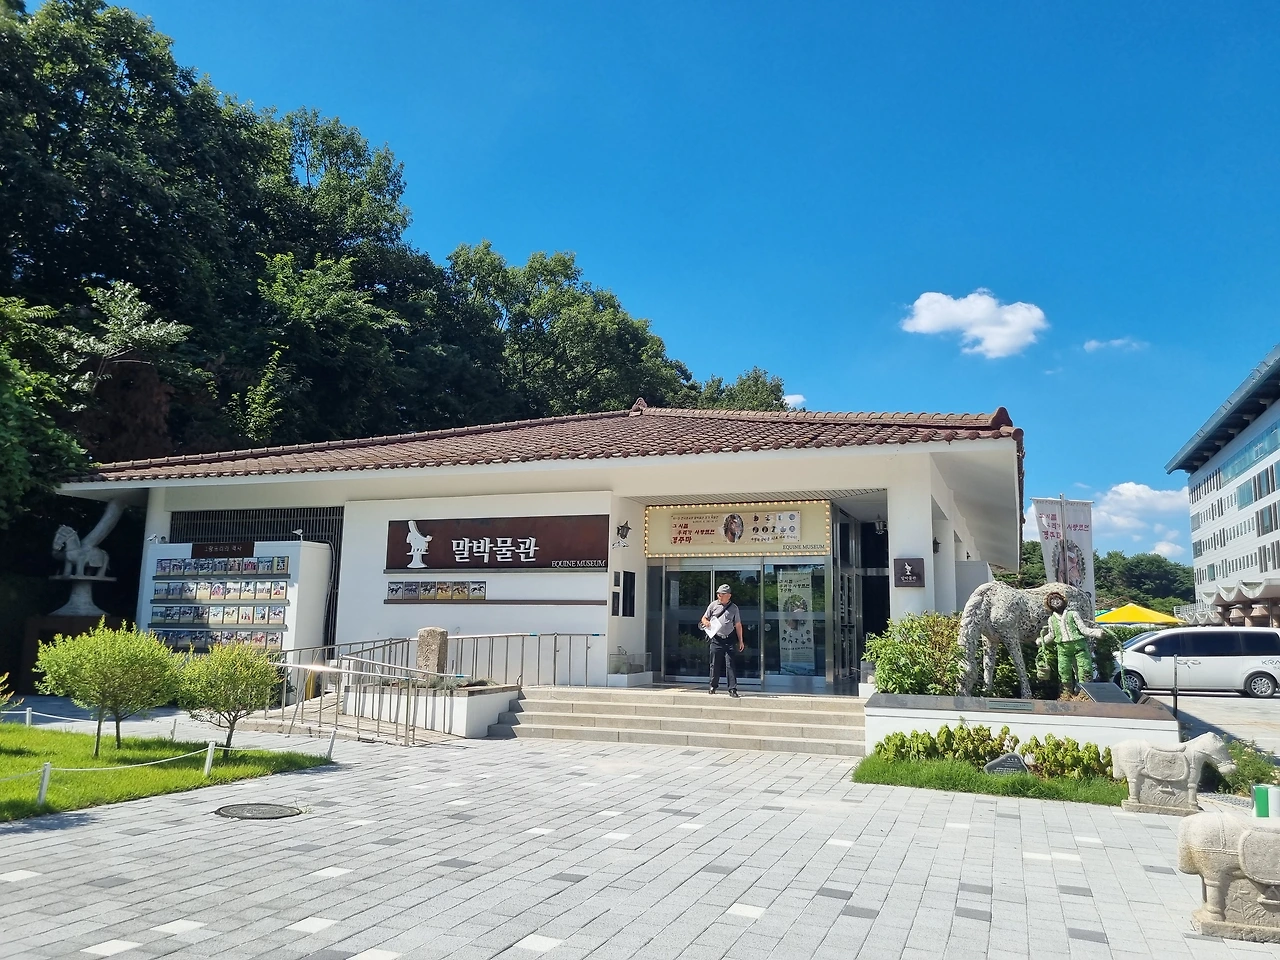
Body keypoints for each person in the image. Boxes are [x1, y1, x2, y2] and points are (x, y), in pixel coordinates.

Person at [1044, 590, 1103, 695]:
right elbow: (1051, 635)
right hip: (1063, 648)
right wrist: (1041, 641)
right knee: (1063, 670)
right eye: (1052, 601)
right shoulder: (1051, 619)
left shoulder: (1073, 614)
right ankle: (1067, 693)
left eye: (1058, 599)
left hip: (1079, 646)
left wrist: (1097, 632)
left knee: (1085, 668)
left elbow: (1083, 629)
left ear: (1063, 601)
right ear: (1050, 605)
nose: (1056, 602)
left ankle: (1085, 692)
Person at [700, 584, 744, 697]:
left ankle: (732, 689)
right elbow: (704, 618)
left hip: (729, 638)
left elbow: (738, 625)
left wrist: (741, 640)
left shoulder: (734, 608)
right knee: (714, 663)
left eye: (722, 594)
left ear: (728, 595)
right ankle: (713, 686)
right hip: (716, 638)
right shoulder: (713, 605)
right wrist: (706, 622)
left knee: (730, 664)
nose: (719, 596)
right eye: (718, 594)